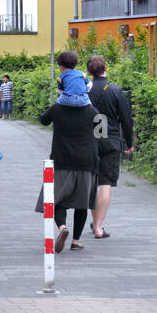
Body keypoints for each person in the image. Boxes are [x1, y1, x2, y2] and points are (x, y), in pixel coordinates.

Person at [37, 51, 98, 251]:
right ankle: (76, 241)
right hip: (86, 161)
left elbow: (43, 120)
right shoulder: (91, 110)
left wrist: (57, 101)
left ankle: (62, 227)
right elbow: (102, 129)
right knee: (82, 203)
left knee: (56, 200)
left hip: (61, 160)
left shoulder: (58, 108)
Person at [86, 55, 134, 239]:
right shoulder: (115, 91)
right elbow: (126, 119)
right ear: (106, 68)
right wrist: (129, 143)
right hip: (111, 141)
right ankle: (98, 227)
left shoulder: (85, 91)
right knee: (105, 183)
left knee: (92, 182)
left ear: (89, 71)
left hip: (89, 141)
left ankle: (94, 222)